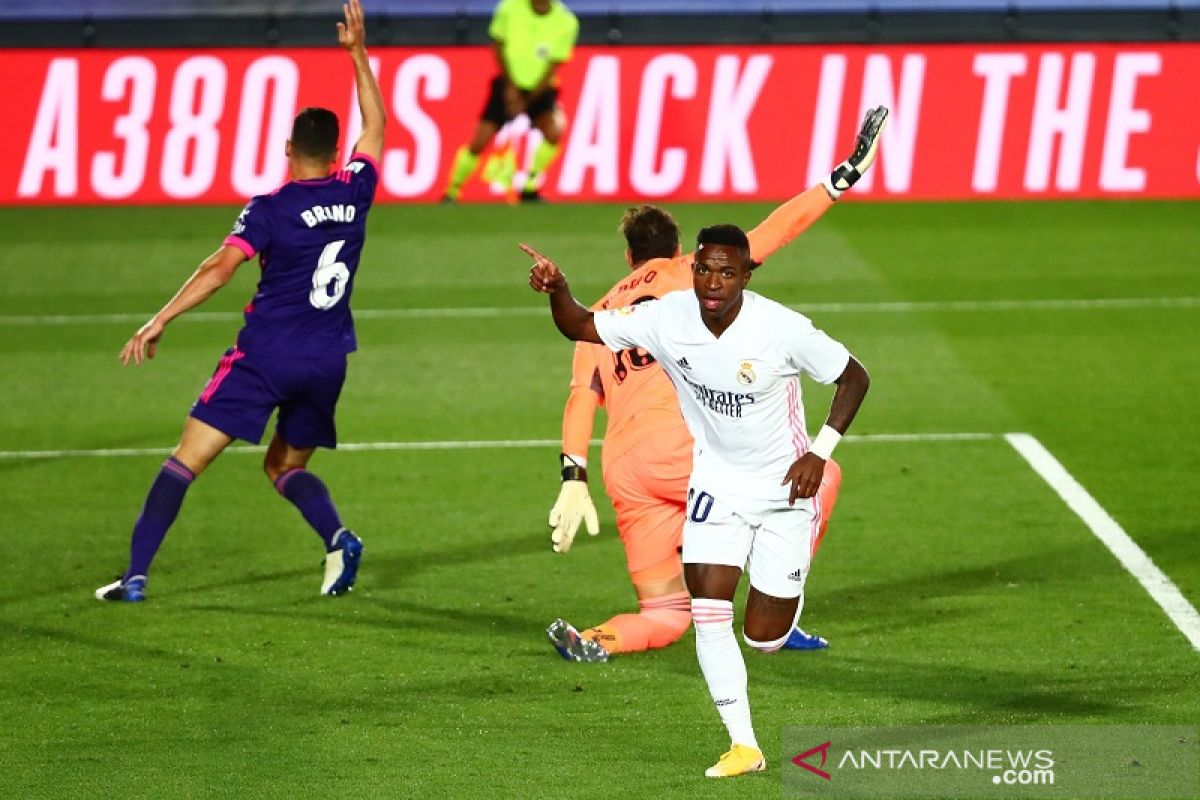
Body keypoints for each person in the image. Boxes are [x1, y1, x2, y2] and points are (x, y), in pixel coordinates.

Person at [523, 224, 870, 778]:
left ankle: (786, 590)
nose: (713, 281)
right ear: (694, 268)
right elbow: (582, 327)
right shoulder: (667, 317)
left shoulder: (779, 327)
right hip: (714, 485)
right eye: (705, 268)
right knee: (707, 615)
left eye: (727, 272)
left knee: (763, 639)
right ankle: (743, 746)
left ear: (746, 275)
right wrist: (559, 288)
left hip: (783, 490)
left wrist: (820, 452)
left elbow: (854, 377)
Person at [542, 107, 888, 662]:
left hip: (625, 468)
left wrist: (572, 474)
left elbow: (582, 397)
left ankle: (597, 639)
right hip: (685, 449)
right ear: (682, 250)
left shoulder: (604, 310)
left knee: (665, 612)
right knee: (823, 477)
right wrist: (842, 175)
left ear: (628, 257)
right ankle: (780, 603)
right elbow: (777, 229)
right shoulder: (692, 277)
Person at [95, 0, 385, 603]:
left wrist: (160, 318)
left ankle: (136, 576)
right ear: (336, 152)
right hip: (329, 359)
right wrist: (358, 54)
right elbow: (376, 127)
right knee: (284, 467)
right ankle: (338, 537)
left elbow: (219, 269)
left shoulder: (270, 208)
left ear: (288, 147)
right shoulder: (356, 190)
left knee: (185, 461)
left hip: (266, 356)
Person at [441, 0, 579, 203]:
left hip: (540, 88)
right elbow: (498, 45)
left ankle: (530, 187)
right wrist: (510, 87)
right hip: (507, 83)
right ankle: (452, 191)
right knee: (480, 139)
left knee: (553, 132)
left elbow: (553, 66)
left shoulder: (567, 21)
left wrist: (525, 101)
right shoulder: (509, 7)